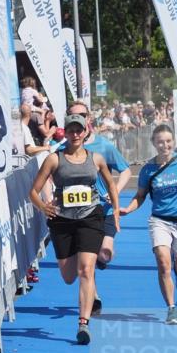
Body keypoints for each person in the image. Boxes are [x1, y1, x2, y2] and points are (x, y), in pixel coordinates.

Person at [28, 114, 120, 345]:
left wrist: (116, 211)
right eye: (71, 130)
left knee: (86, 271)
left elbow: (110, 182)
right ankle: (79, 252)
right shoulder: (54, 159)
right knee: (69, 277)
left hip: (90, 217)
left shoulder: (96, 158)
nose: (76, 134)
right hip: (63, 221)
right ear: (65, 133)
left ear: (85, 132)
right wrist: (43, 207)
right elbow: (33, 191)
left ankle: (83, 324)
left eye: (79, 130)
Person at [119, 124, 177, 325]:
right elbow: (140, 196)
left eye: (168, 141)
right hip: (160, 221)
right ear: (153, 143)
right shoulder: (148, 169)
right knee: (163, 263)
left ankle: (175, 263)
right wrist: (127, 209)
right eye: (160, 142)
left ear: (173, 142)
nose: (164, 145)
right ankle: (171, 308)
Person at [65, 100, 132, 315]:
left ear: (89, 119)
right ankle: (92, 298)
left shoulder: (103, 145)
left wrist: (115, 194)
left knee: (105, 253)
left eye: (83, 115)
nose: (79, 119)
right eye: (74, 115)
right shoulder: (64, 148)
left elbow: (126, 171)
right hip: (79, 212)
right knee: (88, 260)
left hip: (104, 210)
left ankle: (96, 267)